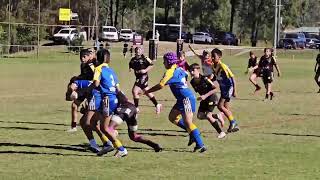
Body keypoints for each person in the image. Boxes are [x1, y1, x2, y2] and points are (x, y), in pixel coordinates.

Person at [145, 52, 206, 153]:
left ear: (168, 62)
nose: (163, 63)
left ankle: (200, 144)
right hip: (181, 99)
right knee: (172, 118)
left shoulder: (169, 72)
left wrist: (148, 91)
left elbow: (161, 85)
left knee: (188, 123)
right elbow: (186, 75)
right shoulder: (180, 69)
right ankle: (192, 134)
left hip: (186, 98)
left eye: (164, 61)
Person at [98, 91, 163, 156]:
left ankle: (114, 147)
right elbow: (127, 100)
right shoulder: (115, 90)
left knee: (109, 128)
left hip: (124, 109)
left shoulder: (107, 91)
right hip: (132, 109)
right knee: (134, 136)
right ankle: (154, 145)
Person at [89, 49, 128, 157]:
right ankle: (107, 145)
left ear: (99, 58)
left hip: (107, 100)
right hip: (113, 99)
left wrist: (87, 89)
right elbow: (118, 88)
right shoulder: (111, 70)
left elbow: (96, 84)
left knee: (104, 128)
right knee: (94, 122)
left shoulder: (98, 69)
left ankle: (121, 148)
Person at [65, 78, 113, 153]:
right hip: (101, 99)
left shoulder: (76, 82)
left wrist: (71, 91)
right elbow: (71, 100)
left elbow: (72, 88)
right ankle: (104, 143)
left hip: (96, 98)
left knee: (87, 122)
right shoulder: (84, 86)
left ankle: (98, 144)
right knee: (89, 123)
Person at [189, 63, 226, 139]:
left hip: (212, 98)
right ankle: (217, 116)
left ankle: (221, 132)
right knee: (200, 116)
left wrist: (205, 96)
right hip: (204, 99)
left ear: (198, 70)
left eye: (193, 70)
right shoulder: (192, 82)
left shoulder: (205, 79)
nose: (191, 72)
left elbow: (216, 89)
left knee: (208, 115)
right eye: (190, 71)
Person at [211, 48, 239, 133]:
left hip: (228, 87)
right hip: (223, 88)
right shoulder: (213, 66)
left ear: (219, 57)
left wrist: (234, 90)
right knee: (226, 108)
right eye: (212, 56)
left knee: (220, 106)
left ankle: (233, 122)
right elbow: (216, 76)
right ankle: (233, 124)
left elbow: (232, 77)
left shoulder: (223, 66)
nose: (212, 58)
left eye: (214, 56)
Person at [129, 46, 162, 113]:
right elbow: (130, 64)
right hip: (138, 77)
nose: (138, 51)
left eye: (139, 50)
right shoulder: (133, 59)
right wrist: (130, 68)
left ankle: (136, 108)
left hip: (143, 77)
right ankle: (157, 104)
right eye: (137, 50)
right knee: (147, 91)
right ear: (135, 51)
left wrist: (145, 70)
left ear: (142, 51)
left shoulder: (145, 58)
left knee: (134, 91)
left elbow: (152, 64)